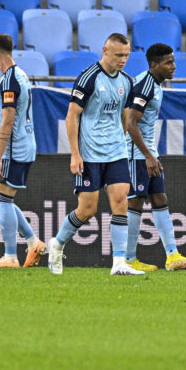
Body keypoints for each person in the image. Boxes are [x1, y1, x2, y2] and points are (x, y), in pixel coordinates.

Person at [47, 33, 142, 276]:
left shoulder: (127, 81)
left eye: (127, 55)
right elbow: (72, 115)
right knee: (87, 209)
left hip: (116, 152)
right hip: (89, 154)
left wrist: (120, 141)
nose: (123, 60)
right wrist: (74, 154)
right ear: (105, 50)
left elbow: (123, 114)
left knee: (121, 201)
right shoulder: (89, 78)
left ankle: (119, 263)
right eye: (119, 55)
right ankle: (57, 244)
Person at [125, 43, 186, 272]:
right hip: (136, 154)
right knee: (135, 201)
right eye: (168, 63)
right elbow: (130, 122)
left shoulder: (155, 84)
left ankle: (172, 255)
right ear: (153, 64)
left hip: (148, 153)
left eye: (174, 61)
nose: (173, 67)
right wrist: (147, 156)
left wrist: (151, 154)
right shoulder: (145, 85)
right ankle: (128, 259)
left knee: (159, 198)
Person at [0, 34, 44, 268]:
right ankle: (32, 241)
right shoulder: (21, 75)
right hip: (24, 144)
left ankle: (10, 256)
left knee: (3, 199)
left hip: (14, 148)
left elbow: (8, 120)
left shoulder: (9, 80)